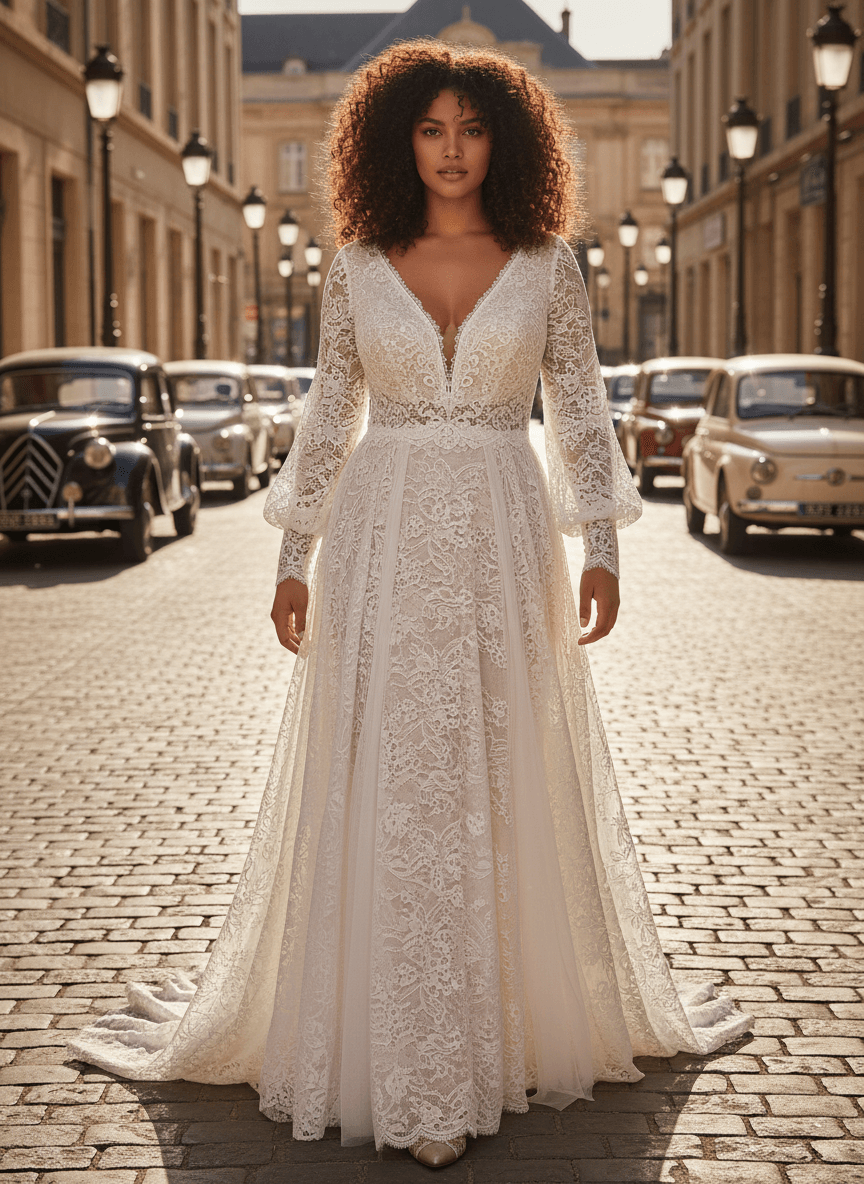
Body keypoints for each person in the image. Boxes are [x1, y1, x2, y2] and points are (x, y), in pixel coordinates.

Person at [69, 40, 750, 1169]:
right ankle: (392, 1038)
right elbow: (329, 414)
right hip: (379, 545)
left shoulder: (547, 264)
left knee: (500, 761)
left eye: (472, 128)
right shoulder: (354, 265)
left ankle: (494, 1026)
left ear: (506, 142)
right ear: (398, 141)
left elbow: (580, 409)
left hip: (504, 542)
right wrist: (292, 555)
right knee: (386, 770)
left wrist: (601, 547)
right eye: (431, 129)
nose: (451, 149)